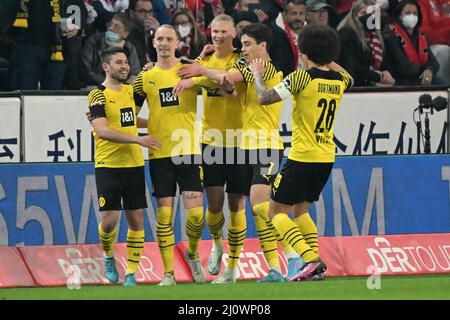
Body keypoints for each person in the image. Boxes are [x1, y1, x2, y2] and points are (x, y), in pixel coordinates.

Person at [176, 23, 303, 284]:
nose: (242, 49)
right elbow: (232, 87)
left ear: (263, 46)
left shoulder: (267, 68)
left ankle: (294, 255)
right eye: (242, 44)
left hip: (267, 145)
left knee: (260, 204)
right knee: (258, 209)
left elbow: (245, 84)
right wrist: (218, 78)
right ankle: (275, 269)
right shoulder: (248, 68)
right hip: (246, 145)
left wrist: (200, 69)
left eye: (247, 44)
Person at [250, 24, 353, 281]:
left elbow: (264, 98)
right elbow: (349, 77)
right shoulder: (340, 81)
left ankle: (309, 258)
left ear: (303, 49)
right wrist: (328, 57)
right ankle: (314, 269)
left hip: (302, 158)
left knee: (276, 212)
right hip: (325, 158)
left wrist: (258, 75)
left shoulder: (302, 78)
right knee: (301, 211)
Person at [173, 14, 247, 280]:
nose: (218, 36)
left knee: (236, 204)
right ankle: (217, 245)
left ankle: (232, 267)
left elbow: (232, 88)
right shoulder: (204, 59)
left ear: (234, 34)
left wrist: (205, 76)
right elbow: (189, 74)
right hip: (211, 141)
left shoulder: (241, 60)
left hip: (240, 142)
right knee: (215, 205)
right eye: (215, 31)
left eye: (224, 32)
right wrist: (189, 77)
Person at [133, 25, 206, 286]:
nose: (164, 43)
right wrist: (146, 129)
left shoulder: (188, 71)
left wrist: (201, 73)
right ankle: (168, 274)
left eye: (168, 39)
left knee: (196, 216)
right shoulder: (144, 78)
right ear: (153, 43)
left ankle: (193, 254)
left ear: (178, 43)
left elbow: (220, 90)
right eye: (159, 39)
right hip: (159, 154)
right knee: (164, 216)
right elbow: (128, 114)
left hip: (187, 152)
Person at [87, 47, 161, 286]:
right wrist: (137, 138)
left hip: (133, 164)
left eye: (126, 62)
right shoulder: (97, 95)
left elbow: (130, 117)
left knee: (137, 220)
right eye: (119, 62)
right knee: (109, 221)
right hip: (108, 164)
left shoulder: (130, 91)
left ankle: (131, 273)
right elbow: (102, 130)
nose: (125, 66)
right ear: (106, 67)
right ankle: (108, 255)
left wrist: (156, 125)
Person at [383, 0, 441, 86]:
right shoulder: (390, 35)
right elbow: (404, 67)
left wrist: (429, 70)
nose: (412, 16)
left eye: (415, 13)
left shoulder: (420, 35)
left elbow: (433, 62)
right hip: (398, 81)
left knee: (442, 83)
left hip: (419, 77)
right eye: (407, 13)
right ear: (399, 16)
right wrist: (424, 71)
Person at [337, 0, 395, 86]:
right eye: (364, 13)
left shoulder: (375, 35)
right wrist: (378, 76)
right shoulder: (347, 33)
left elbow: (385, 63)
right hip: (354, 87)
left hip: (371, 84)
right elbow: (352, 66)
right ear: (354, 16)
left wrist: (385, 73)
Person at [81, 13, 140, 86]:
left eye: (116, 27)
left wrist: (130, 81)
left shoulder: (128, 48)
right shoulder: (94, 41)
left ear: (125, 34)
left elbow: (135, 73)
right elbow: (85, 70)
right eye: (110, 24)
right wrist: (110, 83)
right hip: (95, 86)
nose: (111, 28)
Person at [127, 0, 159, 67]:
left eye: (150, 11)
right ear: (131, 13)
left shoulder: (154, 32)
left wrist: (159, 34)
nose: (147, 16)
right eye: (142, 11)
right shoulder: (127, 34)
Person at [281, 0, 308, 70]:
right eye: (293, 13)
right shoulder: (279, 34)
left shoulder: (312, 34)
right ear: (284, 15)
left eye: (301, 13)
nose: (298, 18)